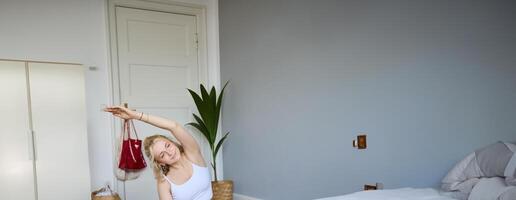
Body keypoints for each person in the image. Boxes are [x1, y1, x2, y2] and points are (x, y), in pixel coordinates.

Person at [104, 106, 212, 200]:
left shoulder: (193, 154)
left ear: (172, 142)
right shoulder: (164, 182)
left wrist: (135, 115)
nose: (170, 153)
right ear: (161, 163)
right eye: (162, 155)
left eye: (167, 145)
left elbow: (173, 126)